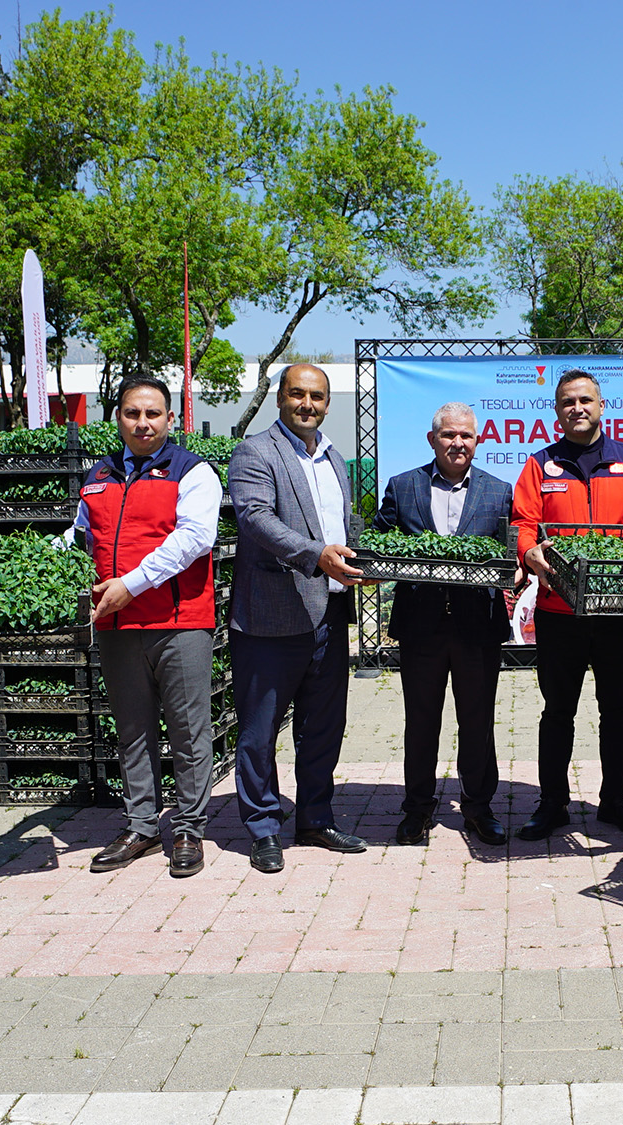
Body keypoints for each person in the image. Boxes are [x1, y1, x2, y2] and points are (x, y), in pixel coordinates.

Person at [512, 370, 623, 841]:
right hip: (558, 612)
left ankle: (615, 801)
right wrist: (528, 551)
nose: (577, 408)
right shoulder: (540, 465)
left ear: (602, 406)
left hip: (618, 612)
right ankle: (552, 804)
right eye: (568, 401)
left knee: (617, 711)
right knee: (557, 712)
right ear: (557, 411)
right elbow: (523, 522)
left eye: (585, 400)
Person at [75, 376, 222, 878]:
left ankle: (188, 829)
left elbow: (194, 539)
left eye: (153, 413)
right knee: (132, 729)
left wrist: (131, 585)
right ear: (117, 417)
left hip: (179, 622)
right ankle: (140, 825)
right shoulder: (98, 475)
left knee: (188, 730)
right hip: (116, 623)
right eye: (132, 413)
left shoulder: (193, 472)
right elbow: (80, 538)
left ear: (169, 419)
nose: (143, 423)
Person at [226, 363, 367, 874]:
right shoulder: (255, 452)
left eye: (317, 396)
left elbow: (341, 525)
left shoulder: (334, 457)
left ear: (328, 403)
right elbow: (255, 518)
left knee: (323, 727)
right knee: (259, 731)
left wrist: (363, 562)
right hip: (270, 616)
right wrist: (316, 555)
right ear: (279, 398)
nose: (307, 404)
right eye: (297, 394)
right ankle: (263, 827)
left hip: (329, 612)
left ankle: (314, 819)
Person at [373, 402, 515, 847]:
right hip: (421, 626)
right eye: (449, 435)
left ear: (478, 440)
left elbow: (510, 552)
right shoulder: (403, 486)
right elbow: (380, 540)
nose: (458, 443)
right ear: (432, 439)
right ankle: (417, 809)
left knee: (477, 721)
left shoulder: (499, 491)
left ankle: (478, 808)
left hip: (478, 627)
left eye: (466, 435)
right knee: (420, 721)